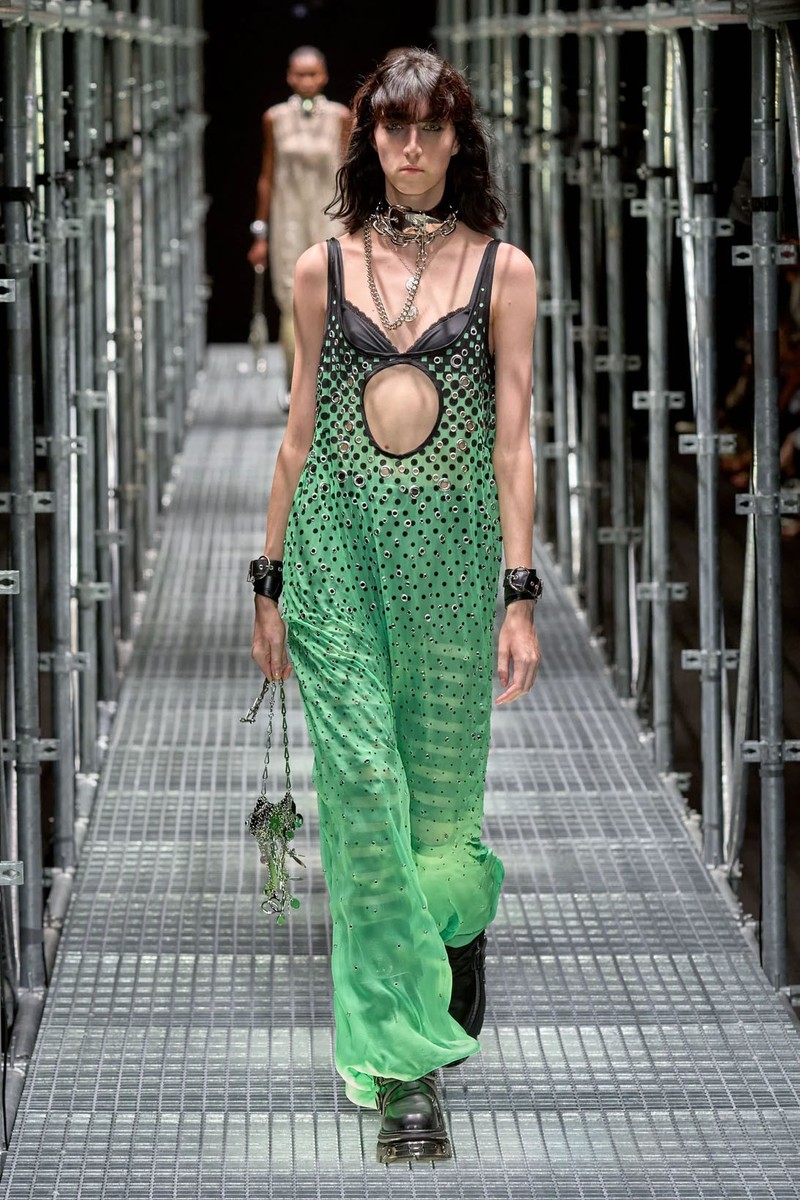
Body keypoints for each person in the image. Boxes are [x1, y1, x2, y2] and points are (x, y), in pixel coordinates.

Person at [248, 47, 541, 1164]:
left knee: (439, 827)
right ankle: (401, 1069)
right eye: (392, 127)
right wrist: (269, 580)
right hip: (336, 559)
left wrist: (519, 594)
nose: (410, 147)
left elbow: (513, 441)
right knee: (366, 797)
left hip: (453, 571)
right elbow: (297, 432)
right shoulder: (321, 267)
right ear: (368, 138)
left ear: (458, 138)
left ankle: (453, 926)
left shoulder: (503, 270)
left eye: (429, 127)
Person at [248, 47, 351, 407]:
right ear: (290, 77)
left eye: (313, 74)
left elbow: (347, 171)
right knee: (291, 298)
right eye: (300, 74)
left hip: (330, 218)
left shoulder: (340, 116)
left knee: (334, 298)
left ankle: (333, 386)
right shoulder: (274, 118)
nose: (307, 80)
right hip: (287, 219)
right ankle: (296, 385)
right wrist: (260, 231)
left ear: (324, 76)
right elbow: (267, 175)